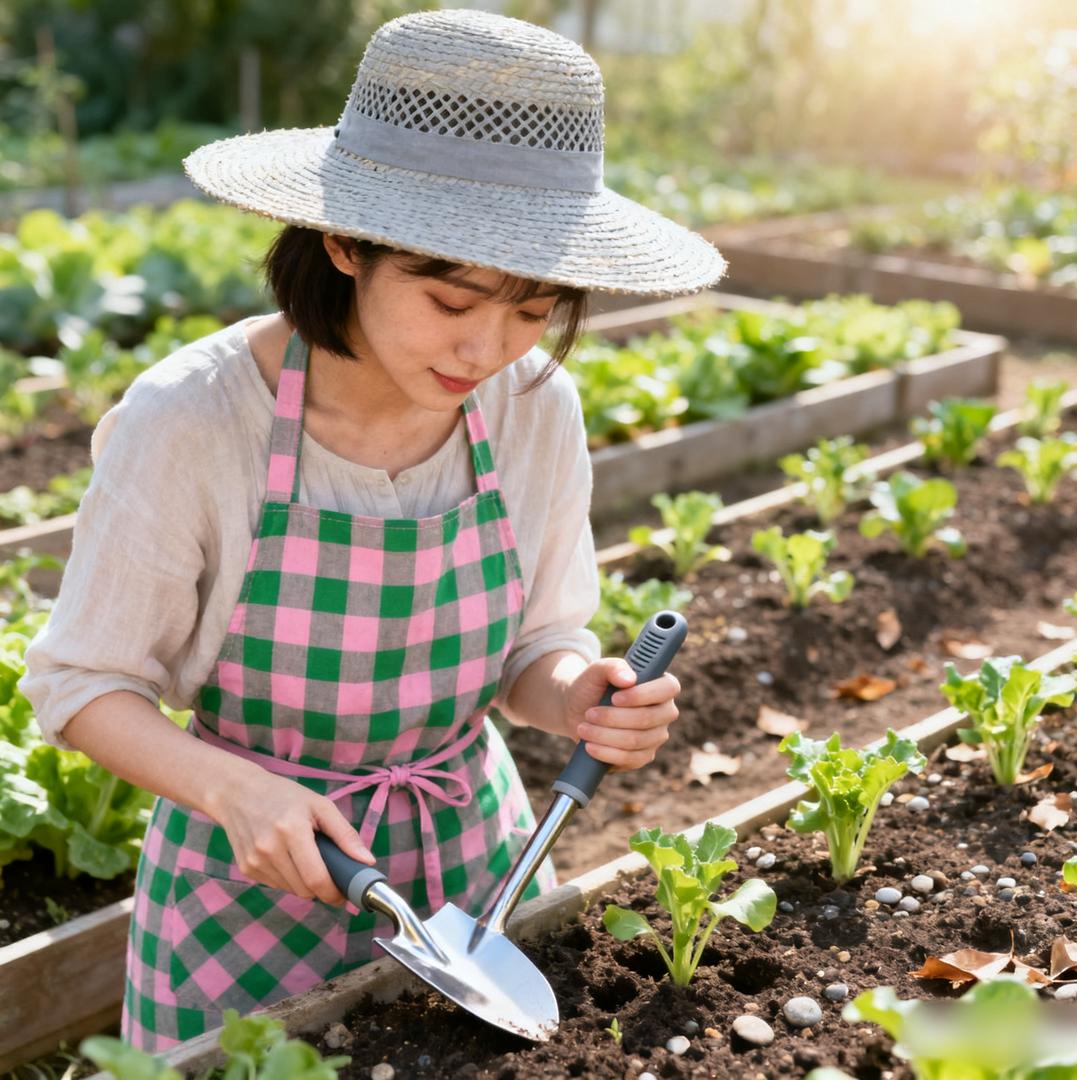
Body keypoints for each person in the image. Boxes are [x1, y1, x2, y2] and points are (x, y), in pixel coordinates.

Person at [20, 7, 726, 1051]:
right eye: (451, 301)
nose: (488, 348)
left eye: (533, 309)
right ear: (345, 242)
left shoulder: (533, 408)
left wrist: (578, 693)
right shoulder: (193, 420)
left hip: (471, 874)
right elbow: (81, 684)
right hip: (243, 891)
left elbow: (538, 644)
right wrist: (234, 789)